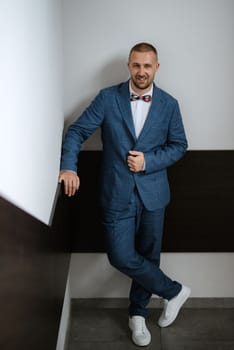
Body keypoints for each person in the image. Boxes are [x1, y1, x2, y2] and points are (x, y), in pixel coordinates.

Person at [58, 42, 191, 347]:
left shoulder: (169, 104)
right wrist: (69, 167)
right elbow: (77, 131)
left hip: (154, 195)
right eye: (136, 65)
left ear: (156, 67)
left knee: (148, 257)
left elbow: (179, 145)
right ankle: (174, 290)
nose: (141, 71)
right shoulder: (108, 98)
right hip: (115, 193)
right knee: (120, 256)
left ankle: (138, 315)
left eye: (147, 65)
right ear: (129, 66)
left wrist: (148, 161)